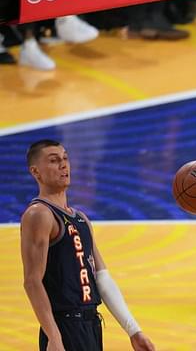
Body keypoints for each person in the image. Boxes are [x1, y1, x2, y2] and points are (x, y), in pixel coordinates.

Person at [20, 140, 155, 351]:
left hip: (91, 325)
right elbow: (32, 282)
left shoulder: (81, 218)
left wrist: (133, 330)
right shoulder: (39, 214)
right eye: (54, 161)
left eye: (65, 158)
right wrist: (54, 337)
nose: (63, 165)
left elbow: (101, 277)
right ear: (36, 172)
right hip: (64, 326)